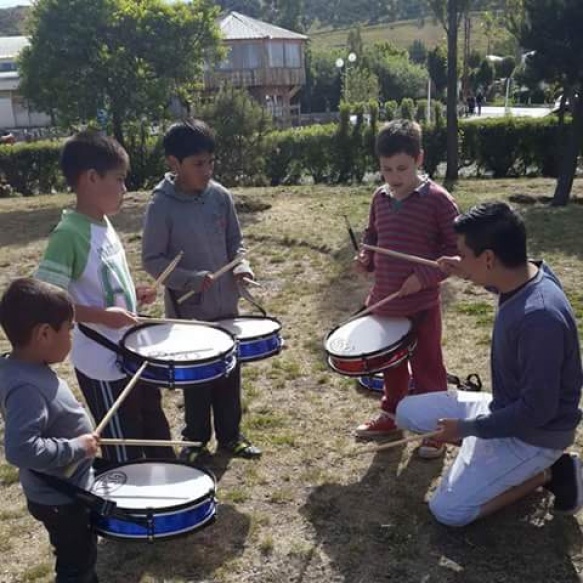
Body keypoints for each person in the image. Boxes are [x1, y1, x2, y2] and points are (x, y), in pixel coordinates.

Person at [396, 202, 583, 526]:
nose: (459, 259)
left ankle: (552, 472)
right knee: (406, 412)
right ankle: (490, 459)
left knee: (449, 511)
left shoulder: (540, 318)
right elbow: (496, 280)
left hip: (534, 434)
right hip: (504, 408)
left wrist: (468, 429)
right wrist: (462, 268)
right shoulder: (529, 274)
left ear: (488, 258)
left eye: (463, 254)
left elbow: (537, 410)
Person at [36, 130, 174, 463]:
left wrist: (132, 295)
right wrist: (101, 316)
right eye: (120, 179)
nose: (125, 189)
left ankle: (165, 488)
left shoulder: (104, 223)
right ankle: (130, 504)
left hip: (130, 349)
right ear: (91, 178)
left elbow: (106, 282)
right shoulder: (68, 235)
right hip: (100, 362)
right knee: (122, 445)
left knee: (152, 425)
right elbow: (43, 305)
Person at [142, 119, 261, 462]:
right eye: (198, 164)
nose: (207, 170)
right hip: (188, 313)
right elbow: (152, 259)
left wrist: (241, 267)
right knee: (197, 382)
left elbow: (236, 243)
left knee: (229, 373)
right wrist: (190, 278)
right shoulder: (161, 205)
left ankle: (231, 436)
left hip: (225, 306)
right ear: (174, 164)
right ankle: (195, 441)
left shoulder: (220, 196)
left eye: (210, 162)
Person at [353, 119, 459, 459]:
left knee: (428, 365)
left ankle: (436, 428)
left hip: (422, 303)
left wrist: (424, 278)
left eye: (402, 167)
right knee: (392, 364)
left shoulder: (439, 200)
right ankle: (391, 414)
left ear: (419, 159)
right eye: (387, 169)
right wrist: (366, 257)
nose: (394, 176)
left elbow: (455, 252)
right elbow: (373, 236)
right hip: (385, 301)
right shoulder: (380, 198)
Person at [0, 278, 100, 582]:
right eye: (69, 329)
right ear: (44, 334)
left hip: (60, 489)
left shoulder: (16, 365)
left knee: (79, 557)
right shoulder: (26, 388)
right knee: (76, 563)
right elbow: (20, 449)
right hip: (61, 499)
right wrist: (78, 447)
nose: (72, 335)